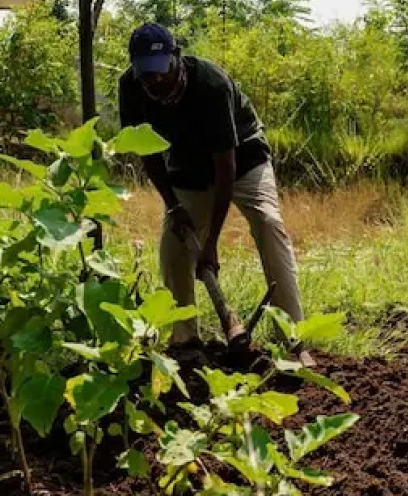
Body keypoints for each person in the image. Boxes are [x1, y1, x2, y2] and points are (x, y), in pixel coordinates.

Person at [116, 22, 308, 360]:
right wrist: (174, 207)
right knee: (174, 247)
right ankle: (186, 340)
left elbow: (226, 169)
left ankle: (291, 340)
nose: (155, 81)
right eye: (147, 73)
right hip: (186, 165)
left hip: (242, 158)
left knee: (267, 222)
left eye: (162, 71)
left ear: (176, 58)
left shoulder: (210, 84)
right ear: (134, 68)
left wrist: (210, 245)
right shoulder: (130, 89)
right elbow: (147, 153)